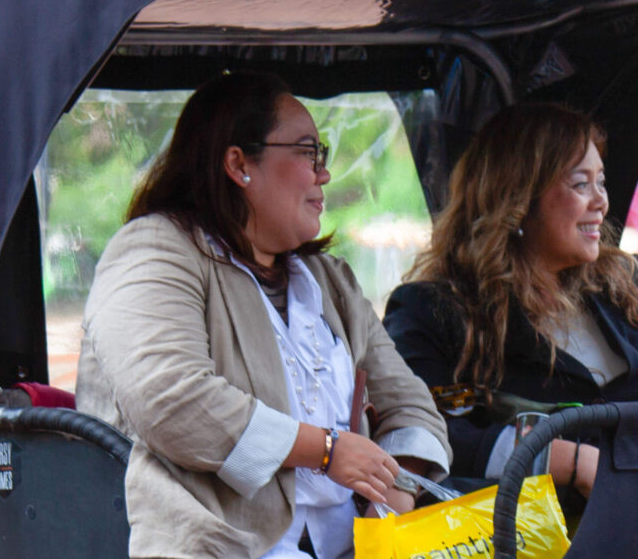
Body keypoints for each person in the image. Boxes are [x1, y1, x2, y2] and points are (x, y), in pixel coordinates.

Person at [75, 71, 450, 559]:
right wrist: (327, 450)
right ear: (239, 163)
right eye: (308, 152)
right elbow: (170, 400)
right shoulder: (156, 249)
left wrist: (392, 496)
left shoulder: (329, 279)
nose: (324, 173)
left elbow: (411, 405)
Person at [384, 103, 638, 498]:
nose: (601, 201)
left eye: (601, 181)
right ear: (517, 196)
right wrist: (564, 460)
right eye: (581, 184)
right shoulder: (433, 310)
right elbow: (420, 434)